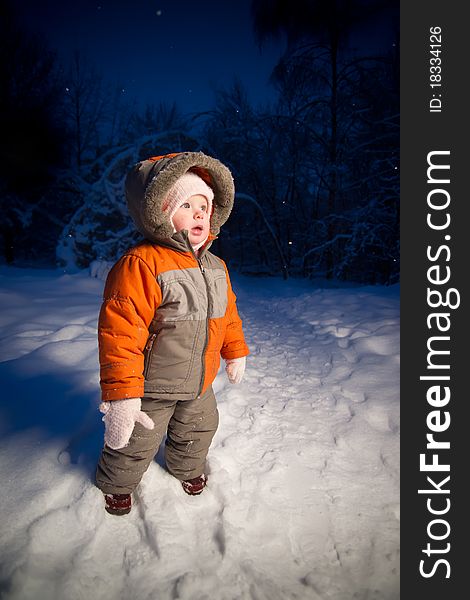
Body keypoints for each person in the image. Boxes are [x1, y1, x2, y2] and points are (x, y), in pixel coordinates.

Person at [95, 151, 249, 515]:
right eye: (186, 204)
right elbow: (120, 334)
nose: (199, 213)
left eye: (204, 205)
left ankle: (187, 467)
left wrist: (236, 350)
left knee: (199, 429)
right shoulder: (142, 264)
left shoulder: (216, 266)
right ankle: (117, 483)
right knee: (135, 439)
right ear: (162, 213)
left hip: (199, 380)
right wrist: (122, 396)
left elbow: (227, 315)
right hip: (152, 385)